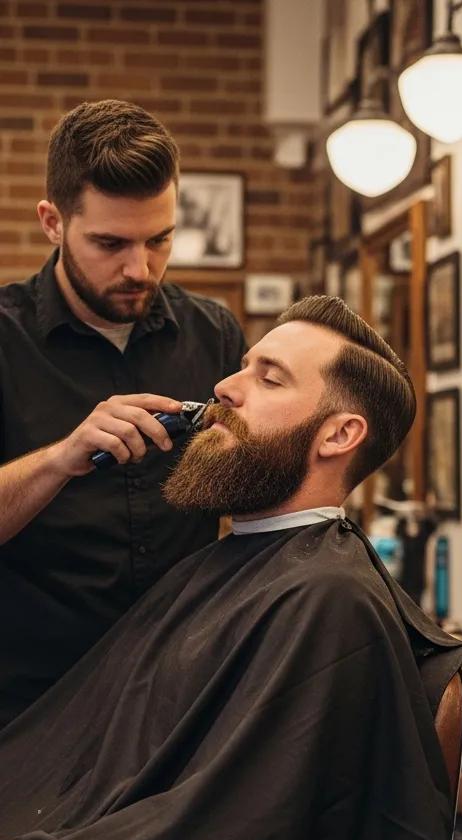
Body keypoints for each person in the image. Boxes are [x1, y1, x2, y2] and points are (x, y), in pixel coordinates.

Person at [0, 295, 462, 840]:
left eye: (269, 377)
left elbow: (224, 828)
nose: (225, 385)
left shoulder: (328, 599)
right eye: (243, 366)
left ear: (339, 433)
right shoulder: (233, 564)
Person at [0, 100, 247, 725]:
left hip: (181, 694)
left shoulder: (213, 334)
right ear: (53, 223)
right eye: (110, 243)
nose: (140, 269)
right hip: (31, 702)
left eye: (159, 240)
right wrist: (59, 460)